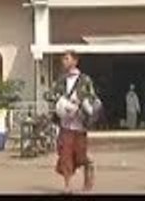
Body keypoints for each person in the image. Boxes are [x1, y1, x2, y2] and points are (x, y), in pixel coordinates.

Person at [52, 50, 101, 193]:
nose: (64, 62)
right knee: (65, 154)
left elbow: (92, 97)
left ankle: (88, 165)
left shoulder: (85, 79)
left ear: (75, 61)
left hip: (80, 124)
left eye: (67, 59)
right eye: (63, 59)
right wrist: (61, 102)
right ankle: (67, 186)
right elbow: (51, 94)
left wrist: (80, 103)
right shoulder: (61, 79)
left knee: (80, 154)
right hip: (65, 124)